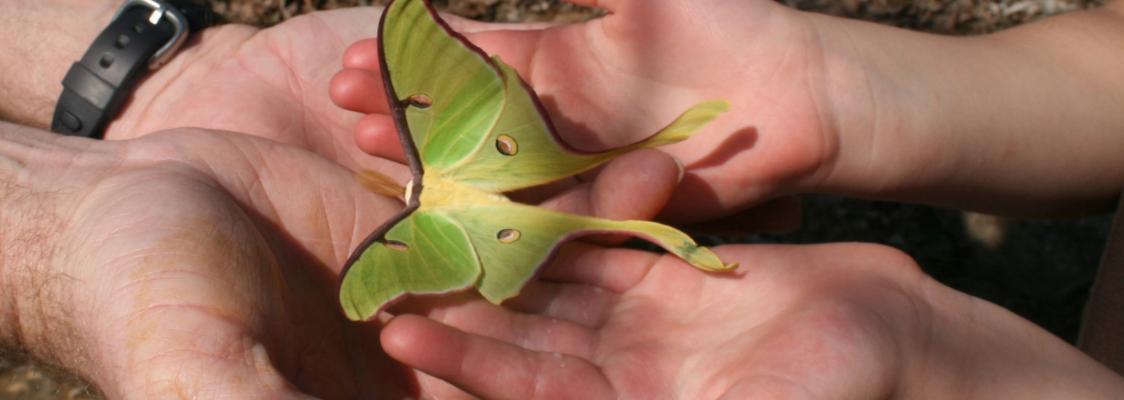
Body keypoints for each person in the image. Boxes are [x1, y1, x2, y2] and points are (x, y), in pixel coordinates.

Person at [0, 0, 1122, 399]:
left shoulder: (400, 228)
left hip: (469, 216)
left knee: (614, 201)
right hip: (485, 190)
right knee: (617, 190)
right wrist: (833, 89)